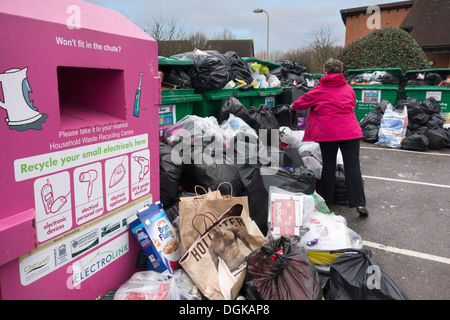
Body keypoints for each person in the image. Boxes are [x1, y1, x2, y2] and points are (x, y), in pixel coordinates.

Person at [291, 58, 369, 217]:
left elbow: (299, 104)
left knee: (328, 167)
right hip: (350, 132)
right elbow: (352, 105)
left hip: (328, 133)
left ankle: (326, 201)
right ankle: (359, 203)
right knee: (353, 168)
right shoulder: (348, 88)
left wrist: (292, 106)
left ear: (325, 72)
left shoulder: (319, 89)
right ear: (341, 71)